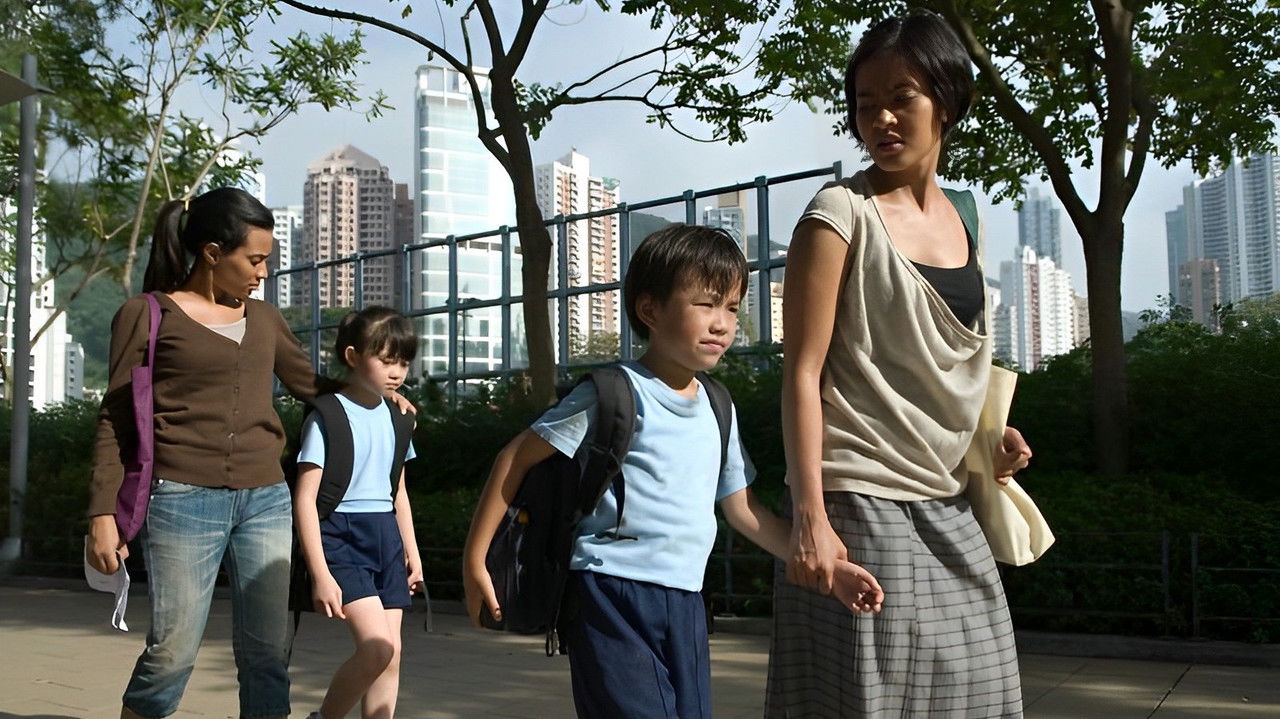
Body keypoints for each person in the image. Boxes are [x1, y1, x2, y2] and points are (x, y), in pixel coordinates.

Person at [463, 224, 884, 719]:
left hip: (686, 601)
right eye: (705, 304)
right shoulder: (613, 393)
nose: (722, 324)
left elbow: (743, 510)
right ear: (650, 310)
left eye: (731, 307)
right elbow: (514, 458)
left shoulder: (718, 407)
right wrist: (475, 561)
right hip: (609, 594)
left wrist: (826, 568)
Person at [765, 11, 1033, 718]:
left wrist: (989, 434)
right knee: (874, 701)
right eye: (864, 104)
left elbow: (952, 363)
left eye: (900, 97)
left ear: (945, 98)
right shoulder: (837, 214)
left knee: (982, 690)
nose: (880, 117)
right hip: (858, 501)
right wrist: (810, 517)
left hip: (949, 500)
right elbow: (802, 372)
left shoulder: (966, 220)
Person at [85, 187, 410, 719]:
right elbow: (114, 418)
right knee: (172, 651)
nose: (262, 272)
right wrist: (102, 513)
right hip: (181, 500)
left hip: (266, 501)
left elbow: (314, 387)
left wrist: (381, 393)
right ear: (214, 253)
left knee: (267, 652)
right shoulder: (148, 315)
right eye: (255, 259)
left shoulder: (265, 319)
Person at [293, 306, 423, 719]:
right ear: (352, 356)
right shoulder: (327, 417)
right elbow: (305, 500)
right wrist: (321, 575)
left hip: (386, 535)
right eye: (386, 360)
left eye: (403, 361)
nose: (397, 371)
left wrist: (412, 552)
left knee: (394, 653)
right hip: (342, 537)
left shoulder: (401, 417)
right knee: (376, 648)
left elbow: (397, 491)